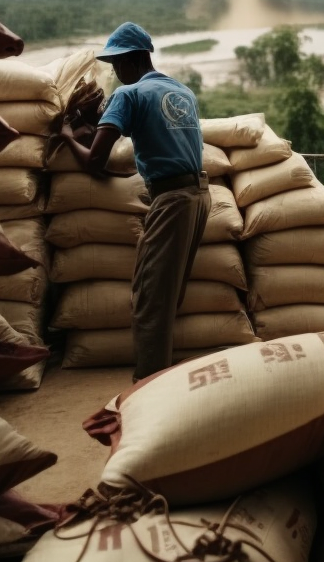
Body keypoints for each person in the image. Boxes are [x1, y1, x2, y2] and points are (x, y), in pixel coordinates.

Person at [58, 21, 210, 381]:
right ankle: (164, 378)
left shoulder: (128, 95)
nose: (114, 71)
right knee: (168, 296)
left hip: (171, 200)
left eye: (116, 64)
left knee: (150, 300)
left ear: (132, 60)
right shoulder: (182, 92)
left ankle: (149, 387)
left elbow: (97, 160)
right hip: (200, 195)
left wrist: (67, 136)